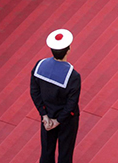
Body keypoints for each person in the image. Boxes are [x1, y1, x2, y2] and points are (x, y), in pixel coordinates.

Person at [30, 29, 81, 163]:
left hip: (47, 116)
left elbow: (34, 93)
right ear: (68, 50)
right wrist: (58, 121)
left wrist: (44, 116)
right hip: (66, 121)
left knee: (46, 153)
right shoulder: (73, 76)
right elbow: (72, 103)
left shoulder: (39, 66)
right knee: (65, 154)